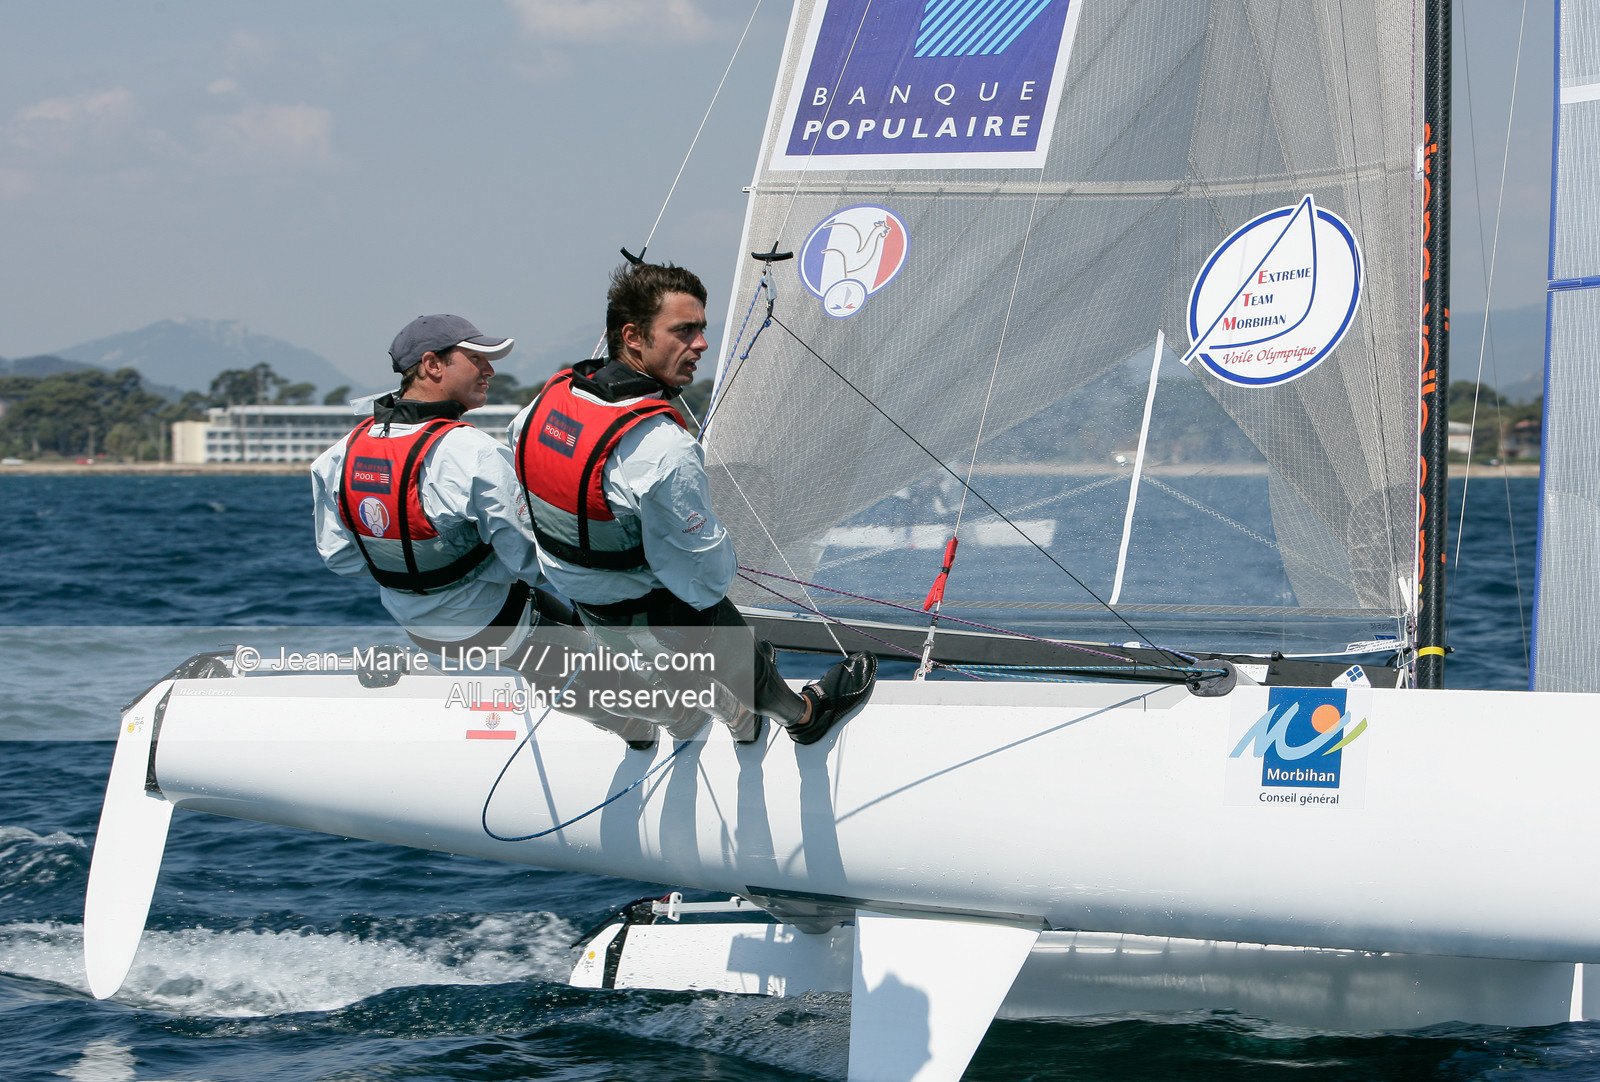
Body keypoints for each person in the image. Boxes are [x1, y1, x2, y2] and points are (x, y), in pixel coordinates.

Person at [510, 263, 876, 745]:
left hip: (588, 605)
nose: (700, 344)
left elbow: (525, 505)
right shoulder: (664, 447)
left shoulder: (540, 407)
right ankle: (803, 716)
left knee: (668, 623)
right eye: (684, 331)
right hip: (651, 618)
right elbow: (705, 582)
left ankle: (703, 717)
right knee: (712, 616)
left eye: (701, 329)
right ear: (633, 337)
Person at [311, 314, 657, 748]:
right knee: (611, 649)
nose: (490, 370)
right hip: (495, 623)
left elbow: (340, 559)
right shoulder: (474, 454)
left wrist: (429, 566)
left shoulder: (337, 456)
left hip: (418, 625)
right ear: (433, 365)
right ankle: (636, 730)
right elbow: (532, 563)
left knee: (574, 627)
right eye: (477, 359)